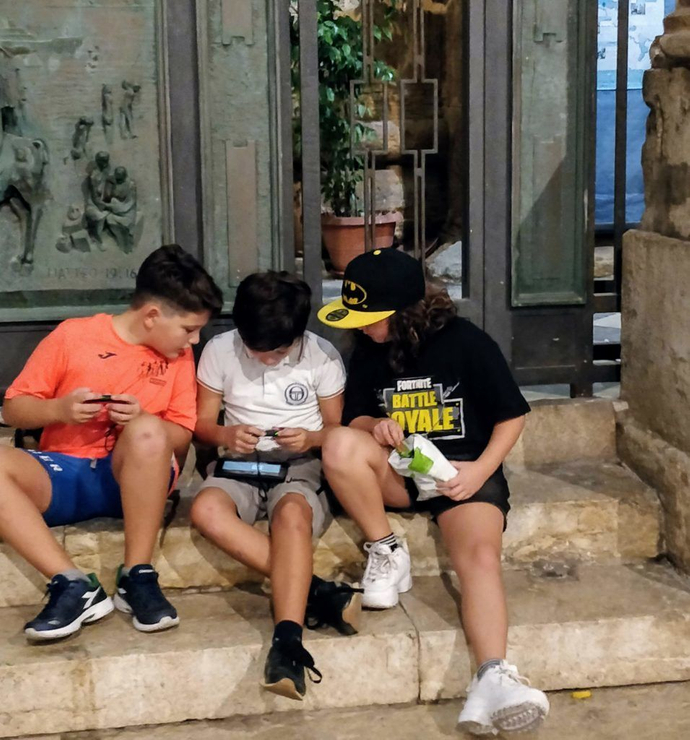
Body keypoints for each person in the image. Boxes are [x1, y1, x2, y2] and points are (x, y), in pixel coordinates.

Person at [318, 247, 549, 735]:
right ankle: (386, 547)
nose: (360, 327)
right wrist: (376, 425)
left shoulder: (466, 342)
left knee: (480, 558)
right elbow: (352, 418)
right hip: (399, 474)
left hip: (462, 473)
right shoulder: (367, 351)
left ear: (404, 312)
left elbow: (514, 414)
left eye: (370, 318)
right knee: (339, 443)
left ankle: (493, 677)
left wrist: (480, 470)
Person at [0, 244, 223, 642]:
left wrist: (140, 418)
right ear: (152, 316)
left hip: (136, 480)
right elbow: (15, 409)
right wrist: (60, 411)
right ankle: (72, 583)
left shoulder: (178, 359)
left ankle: (137, 574)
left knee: (148, 431)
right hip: (61, 474)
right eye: (189, 329)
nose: (194, 340)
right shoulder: (74, 335)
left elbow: (182, 436)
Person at [190, 271, 360, 702]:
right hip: (239, 464)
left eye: (278, 352)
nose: (266, 360)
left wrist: (311, 439)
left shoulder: (321, 356)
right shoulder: (218, 350)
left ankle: (288, 642)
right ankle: (315, 589)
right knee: (205, 510)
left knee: (291, 516)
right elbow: (202, 424)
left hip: (298, 465)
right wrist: (226, 437)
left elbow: (336, 431)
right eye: (255, 350)